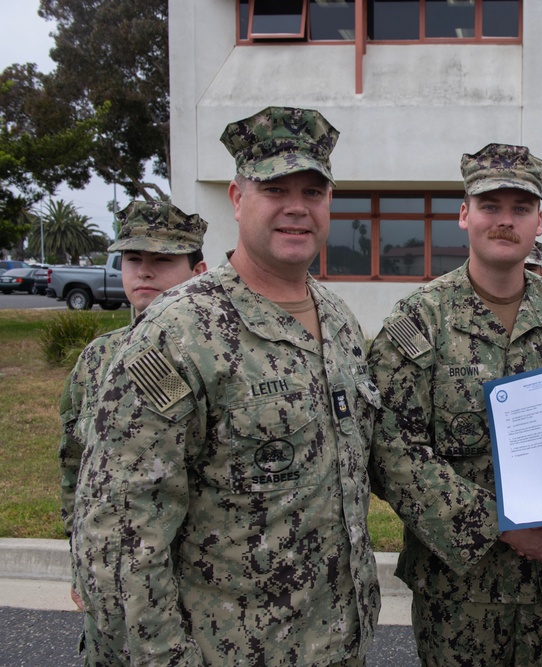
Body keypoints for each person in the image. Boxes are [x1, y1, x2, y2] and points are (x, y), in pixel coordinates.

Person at [73, 106, 381, 666]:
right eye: (275, 188)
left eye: (313, 191)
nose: (296, 207)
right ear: (238, 199)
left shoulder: (338, 320)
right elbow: (119, 539)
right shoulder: (178, 333)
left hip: (335, 645)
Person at [367, 143, 542, 666]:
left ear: (540, 221)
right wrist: (501, 525)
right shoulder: (418, 323)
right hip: (462, 595)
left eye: (521, 208)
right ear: (464, 215)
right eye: (490, 206)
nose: (505, 221)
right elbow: (392, 454)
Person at [58, 200, 208, 662]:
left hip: (179, 589)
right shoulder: (98, 358)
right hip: (110, 597)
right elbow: (73, 467)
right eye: (132, 259)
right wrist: (81, 560)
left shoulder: (205, 356)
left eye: (162, 260)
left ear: (198, 270)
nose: (144, 272)